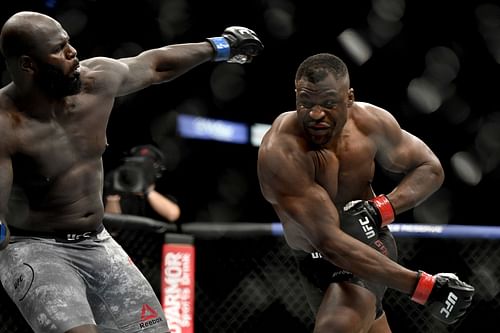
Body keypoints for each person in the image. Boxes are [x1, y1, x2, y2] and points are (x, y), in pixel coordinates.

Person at [0, 10, 263, 333]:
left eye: (68, 42)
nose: (73, 53)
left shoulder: (95, 81)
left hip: (97, 241)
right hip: (35, 247)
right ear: (28, 64)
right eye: (59, 49)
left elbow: (155, 66)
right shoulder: (5, 124)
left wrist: (222, 46)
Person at [257, 53, 474, 333]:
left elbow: (430, 167)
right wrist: (423, 287)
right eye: (306, 102)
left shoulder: (370, 123)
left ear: (349, 98)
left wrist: (381, 209)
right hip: (314, 255)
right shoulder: (282, 150)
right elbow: (329, 243)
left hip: (368, 240)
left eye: (328, 103)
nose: (315, 113)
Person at [104, 144, 181, 223]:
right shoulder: (123, 187)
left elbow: (173, 214)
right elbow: (112, 224)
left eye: (146, 166)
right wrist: (113, 195)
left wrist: (147, 190)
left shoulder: (163, 188)